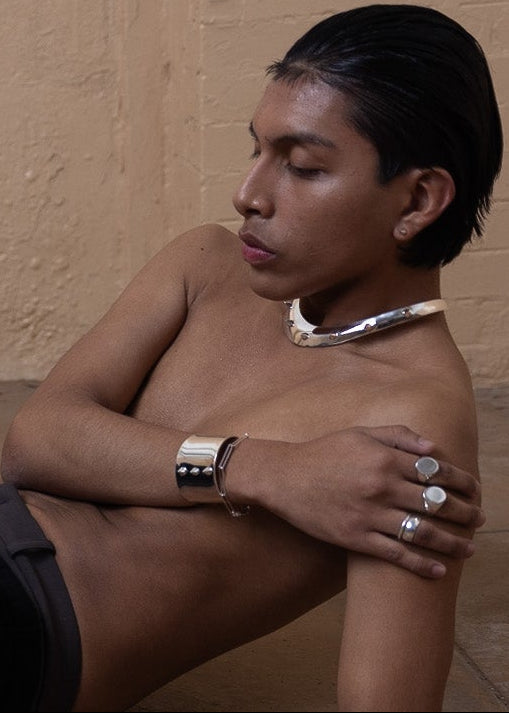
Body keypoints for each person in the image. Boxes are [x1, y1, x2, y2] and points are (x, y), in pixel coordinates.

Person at [0, 4, 502, 711]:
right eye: (256, 150)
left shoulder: (417, 424)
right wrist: (265, 469)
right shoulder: (207, 264)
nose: (248, 194)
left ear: (418, 200)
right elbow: (33, 442)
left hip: (31, 615)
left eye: (302, 166)